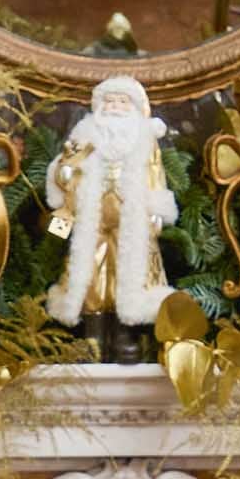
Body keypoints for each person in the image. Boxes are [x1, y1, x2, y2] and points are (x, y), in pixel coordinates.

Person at [44, 75, 176, 354]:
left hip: (130, 218)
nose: (115, 107)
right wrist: (64, 173)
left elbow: (155, 176)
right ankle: (94, 334)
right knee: (89, 272)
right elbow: (68, 166)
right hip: (92, 218)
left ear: (135, 107)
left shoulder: (144, 140)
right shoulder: (85, 135)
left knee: (129, 271)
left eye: (122, 101)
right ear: (99, 105)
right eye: (110, 101)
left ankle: (124, 334)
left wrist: (156, 210)